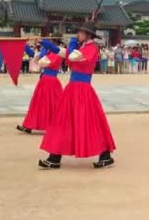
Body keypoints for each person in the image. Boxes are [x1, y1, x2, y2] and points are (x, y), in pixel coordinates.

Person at [39, 21, 116, 169]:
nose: (77, 34)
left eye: (80, 32)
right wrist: (50, 47)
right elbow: (66, 54)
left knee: (90, 123)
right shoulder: (85, 47)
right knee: (62, 121)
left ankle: (105, 155)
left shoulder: (92, 48)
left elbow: (73, 57)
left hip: (82, 90)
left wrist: (72, 45)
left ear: (88, 34)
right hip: (73, 89)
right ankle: (54, 157)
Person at [17, 34, 65, 134]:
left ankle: (57, 125)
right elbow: (34, 56)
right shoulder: (47, 51)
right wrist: (25, 45)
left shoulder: (59, 52)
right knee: (37, 103)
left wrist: (41, 48)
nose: (49, 41)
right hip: (44, 80)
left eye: (50, 40)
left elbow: (44, 62)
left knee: (52, 104)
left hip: (51, 81)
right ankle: (28, 125)